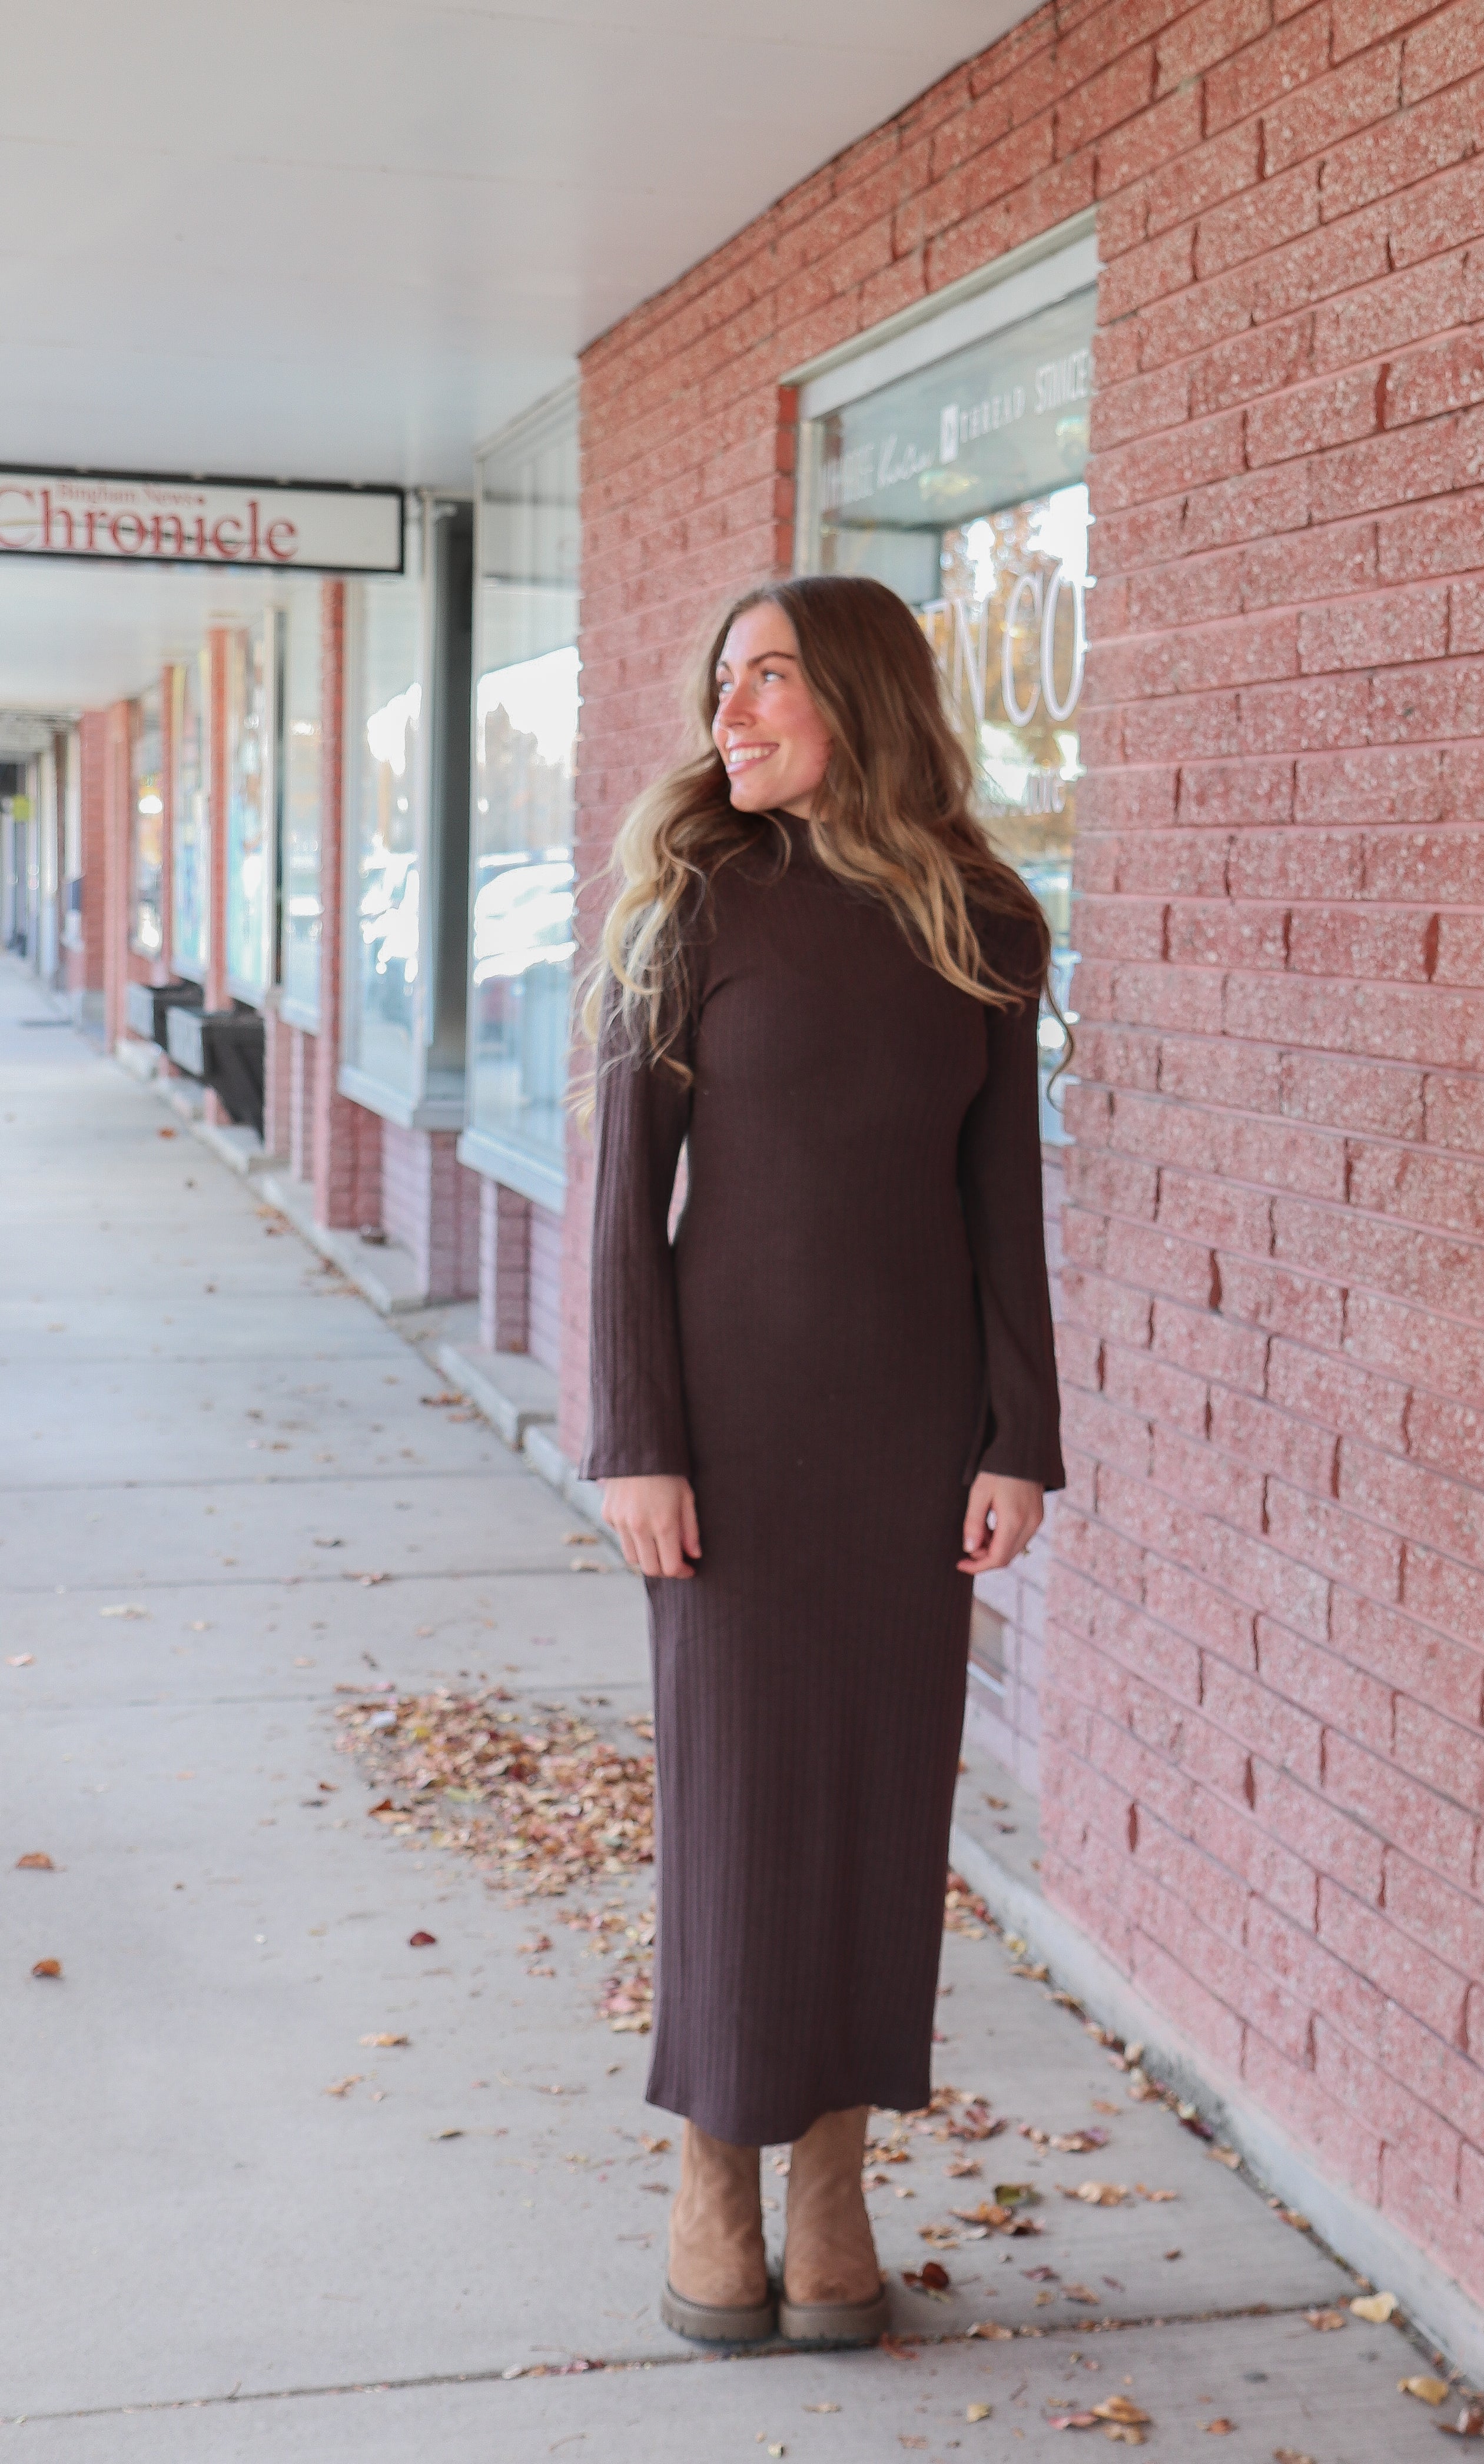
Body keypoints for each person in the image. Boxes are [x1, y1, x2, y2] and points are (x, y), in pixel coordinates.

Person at [580, 572, 1065, 2348]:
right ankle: (715, 2175)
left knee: (877, 1802)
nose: (734, 709)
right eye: (725, 679)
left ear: (860, 693)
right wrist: (636, 1437)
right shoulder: (690, 899)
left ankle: (834, 2179)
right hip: (730, 1435)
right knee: (733, 1812)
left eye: (770, 676)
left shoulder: (986, 919)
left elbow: (1003, 1201)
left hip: (910, 1438)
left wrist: (1022, 1436)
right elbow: (623, 1201)